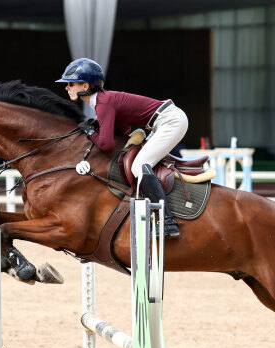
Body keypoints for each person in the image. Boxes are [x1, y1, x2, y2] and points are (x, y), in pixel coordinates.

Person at [56, 57, 186, 238]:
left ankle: (168, 221)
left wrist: (90, 133)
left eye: (70, 84)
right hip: (163, 121)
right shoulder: (103, 101)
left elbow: (106, 144)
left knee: (139, 165)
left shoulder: (103, 103)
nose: (66, 87)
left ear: (85, 87)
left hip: (170, 121)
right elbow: (123, 130)